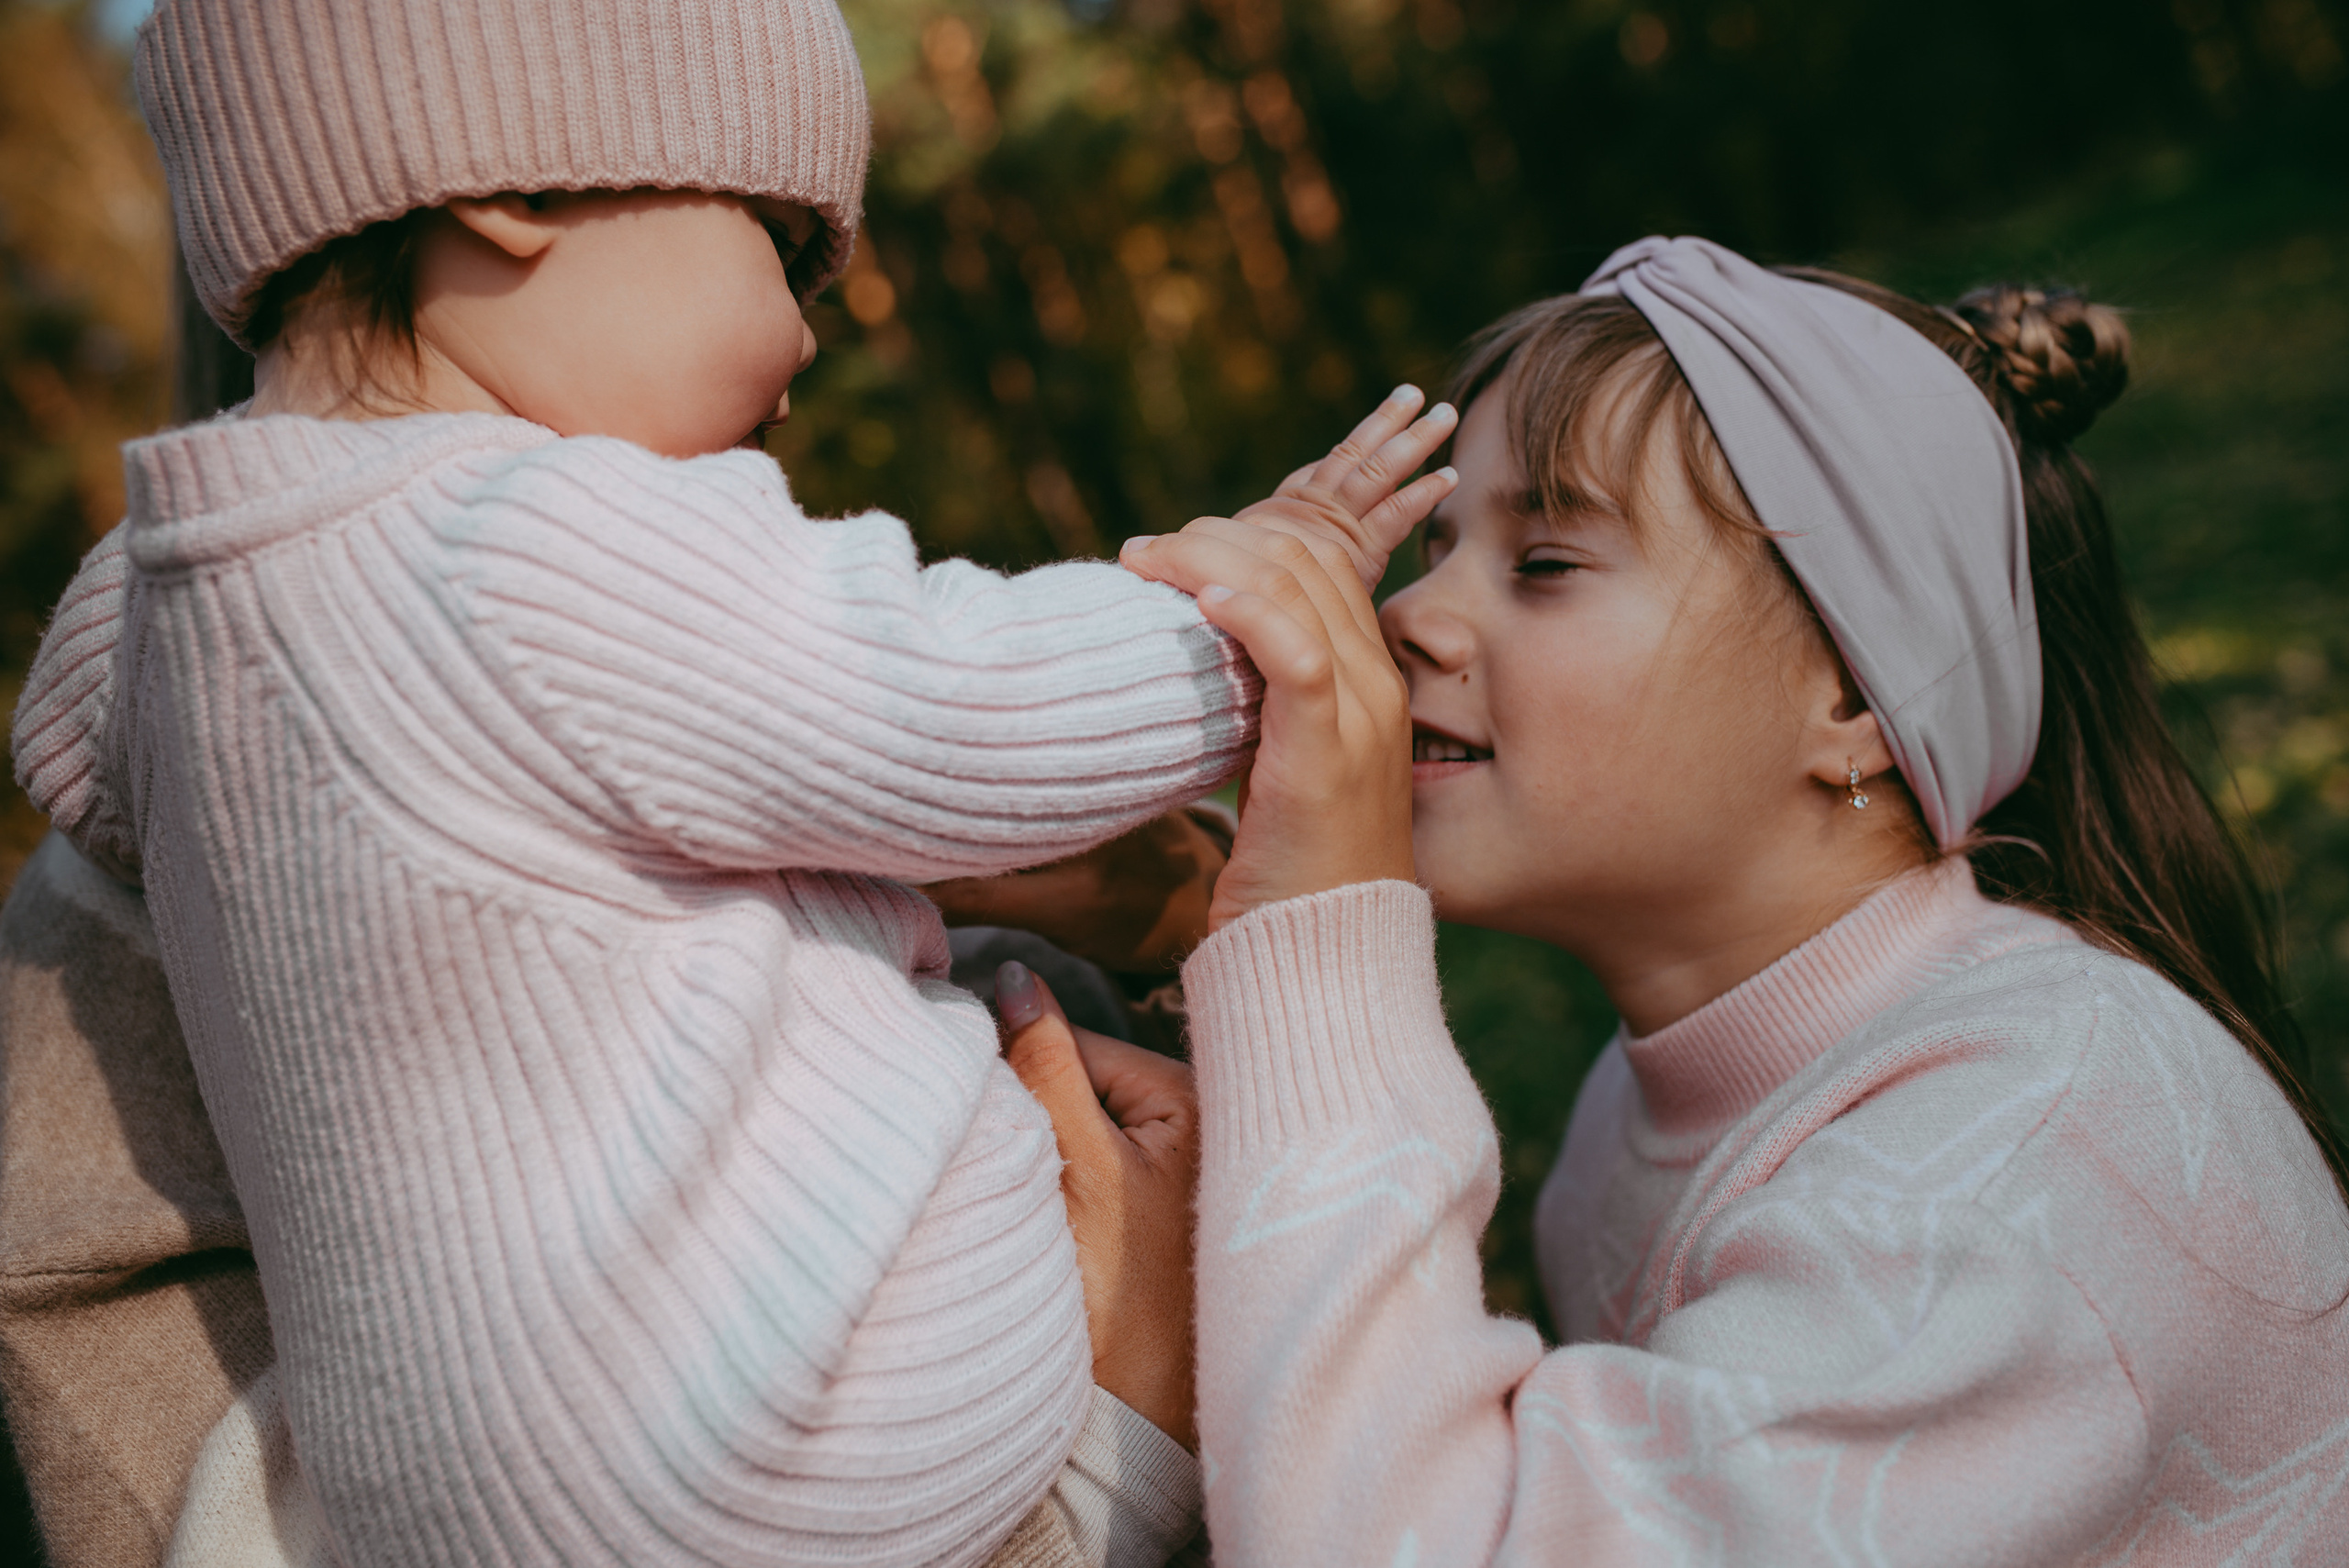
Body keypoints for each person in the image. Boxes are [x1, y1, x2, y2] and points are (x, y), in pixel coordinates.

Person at [6, 2, 1459, 1564]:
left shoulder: (155, 605)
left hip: (431, 1511)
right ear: (517, 191)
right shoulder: (525, 542)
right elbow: (950, 692)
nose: (809, 336)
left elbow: (75, 767)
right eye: (777, 241)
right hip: (780, 1442)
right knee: (1077, 1084)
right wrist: (1260, 609)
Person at [1065, 236, 2349, 1561]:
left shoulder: (2017, 1163)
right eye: (1437, 548)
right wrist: (1188, 919)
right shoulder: (1641, 1110)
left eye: (1545, 562)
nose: (1407, 616)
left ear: (1854, 696)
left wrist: (1320, 947)